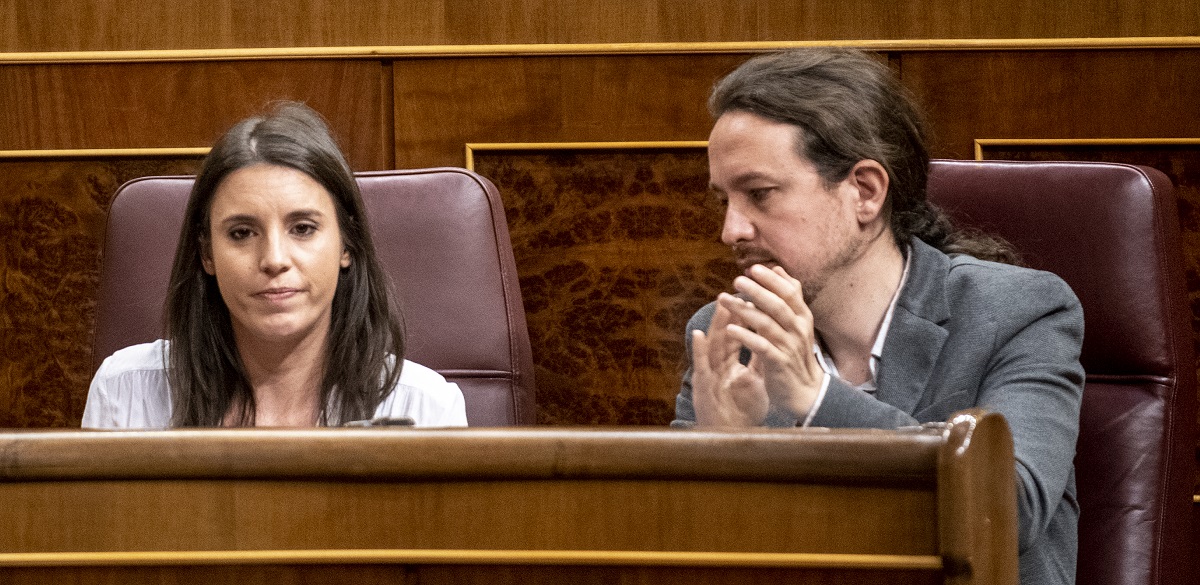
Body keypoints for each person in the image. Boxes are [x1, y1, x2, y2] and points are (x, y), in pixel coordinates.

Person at [672, 49, 1082, 585]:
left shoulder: (1016, 313)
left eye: (759, 194)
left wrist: (817, 400)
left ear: (865, 192)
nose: (732, 231)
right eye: (724, 200)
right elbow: (687, 552)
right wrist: (719, 460)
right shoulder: (725, 334)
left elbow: (1009, 510)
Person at [82, 102, 467, 428]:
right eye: (242, 233)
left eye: (302, 228)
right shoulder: (125, 394)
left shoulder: (425, 408)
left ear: (346, 244)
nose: (274, 260)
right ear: (207, 254)